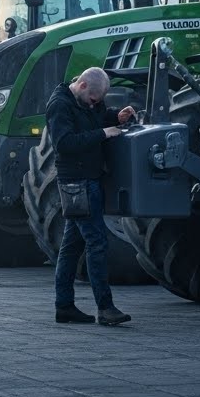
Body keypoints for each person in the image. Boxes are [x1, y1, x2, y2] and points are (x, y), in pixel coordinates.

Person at [46, 67, 135, 326]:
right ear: (83, 85)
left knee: (72, 247)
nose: (96, 103)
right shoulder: (59, 105)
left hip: (85, 181)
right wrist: (104, 133)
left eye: (100, 100)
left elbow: (96, 117)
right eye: (94, 98)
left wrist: (115, 117)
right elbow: (64, 144)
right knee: (96, 243)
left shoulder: (86, 101)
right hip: (77, 183)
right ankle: (105, 308)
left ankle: (64, 307)